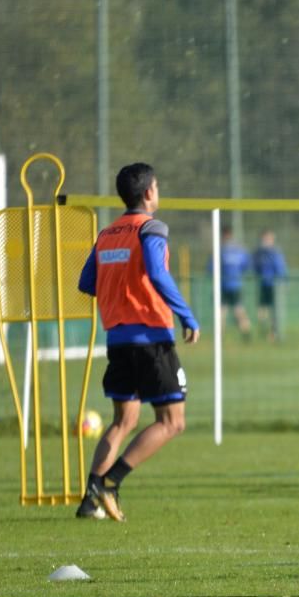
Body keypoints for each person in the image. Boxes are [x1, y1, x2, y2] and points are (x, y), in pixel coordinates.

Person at [75, 163, 200, 521]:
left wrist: (120, 287)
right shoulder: (151, 228)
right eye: (157, 186)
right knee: (173, 421)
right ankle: (109, 483)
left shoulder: (107, 234)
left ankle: (89, 500)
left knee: (123, 421)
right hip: (150, 338)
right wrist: (187, 316)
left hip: (117, 340)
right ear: (149, 193)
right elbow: (158, 273)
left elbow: (87, 282)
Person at [213, 226, 251, 339]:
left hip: (231, 285)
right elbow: (246, 265)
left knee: (236, 311)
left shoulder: (222, 250)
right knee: (223, 312)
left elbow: (212, 267)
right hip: (227, 285)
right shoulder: (227, 250)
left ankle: (246, 333)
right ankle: (221, 336)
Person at [252, 229, 287, 342]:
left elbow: (280, 269)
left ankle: (274, 333)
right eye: (264, 239)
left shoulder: (275, 253)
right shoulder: (259, 253)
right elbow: (255, 267)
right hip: (263, 285)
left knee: (274, 311)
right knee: (261, 311)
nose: (265, 241)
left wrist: (282, 283)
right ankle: (265, 331)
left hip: (274, 286)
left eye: (268, 239)